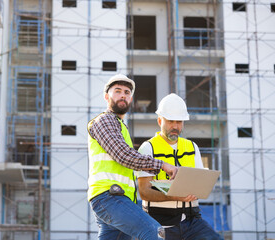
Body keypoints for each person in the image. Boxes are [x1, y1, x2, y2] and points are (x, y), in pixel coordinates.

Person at [87, 74, 178, 240]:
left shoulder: (121, 127)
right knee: (154, 232)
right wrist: (163, 165)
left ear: (131, 99)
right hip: (109, 198)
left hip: (120, 199)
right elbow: (123, 155)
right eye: (118, 91)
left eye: (127, 92)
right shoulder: (105, 121)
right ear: (107, 97)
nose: (123, 95)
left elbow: (127, 164)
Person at [136, 93, 222, 240]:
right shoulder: (148, 148)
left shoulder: (192, 147)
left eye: (179, 122)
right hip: (161, 223)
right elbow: (144, 192)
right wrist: (176, 196)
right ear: (159, 121)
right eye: (170, 121)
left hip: (193, 220)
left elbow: (199, 183)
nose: (175, 126)